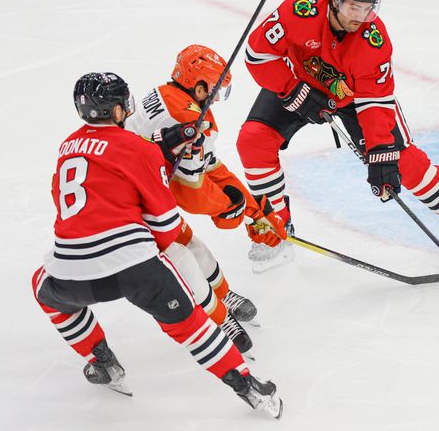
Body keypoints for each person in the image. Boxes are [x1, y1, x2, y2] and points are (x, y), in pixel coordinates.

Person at [31, 72, 282, 418]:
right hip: (135, 268)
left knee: (42, 288)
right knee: (188, 322)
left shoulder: (67, 148)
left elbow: (96, 175)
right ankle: (248, 386)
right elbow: (165, 226)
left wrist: (163, 146)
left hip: (72, 272)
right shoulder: (138, 150)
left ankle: (102, 362)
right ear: (119, 110)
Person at [235, 0, 439, 271]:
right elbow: (258, 54)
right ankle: (276, 226)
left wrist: (380, 152)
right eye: (352, 7)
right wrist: (291, 89)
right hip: (299, 82)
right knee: (253, 141)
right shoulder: (300, 10)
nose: (360, 17)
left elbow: (375, 101)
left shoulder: (374, 41)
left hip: (355, 98)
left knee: (403, 162)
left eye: (367, 8)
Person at [126, 45, 288, 352]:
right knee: (182, 260)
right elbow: (191, 192)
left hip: (141, 193)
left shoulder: (168, 95)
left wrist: (255, 210)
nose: (215, 98)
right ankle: (221, 317)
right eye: (214, 90)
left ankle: (223, 296)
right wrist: (230, 208)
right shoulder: (189, 119)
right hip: (131, 209)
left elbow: (210, 166)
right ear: (199, 85)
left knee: (192, 248)